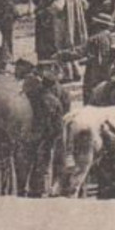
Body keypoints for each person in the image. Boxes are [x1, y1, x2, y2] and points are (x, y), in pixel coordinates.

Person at [24, 61, 70, 197]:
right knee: (54, 160)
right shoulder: (63, 94)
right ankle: (52, 188)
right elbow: (66, 112)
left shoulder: (33, 93)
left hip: (37, 130)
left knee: (38, 161)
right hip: (55, 130)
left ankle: (36, 188)